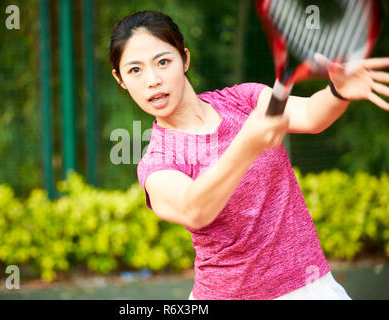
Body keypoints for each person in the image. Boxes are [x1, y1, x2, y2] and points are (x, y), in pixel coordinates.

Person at [108, 10, 389, 300]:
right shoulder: (157, 160)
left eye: (163, 62)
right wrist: (248, 144)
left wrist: (337, 91)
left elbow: (310, 115)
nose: (152, 80)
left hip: (311, 286)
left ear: (185, 59)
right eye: (135, 70)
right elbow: (195, 209)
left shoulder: (243, 99)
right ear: (121, 79)